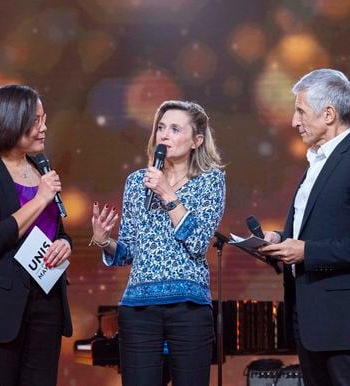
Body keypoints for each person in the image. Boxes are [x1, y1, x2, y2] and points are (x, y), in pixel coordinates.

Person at [256, 69, 350, 386]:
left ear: (329, 114)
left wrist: (307, 251)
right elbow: (309, 232)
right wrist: (279, 239)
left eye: (301, 111)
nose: (294, 121)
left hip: (344, 320)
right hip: (308, 317)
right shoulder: (314, 164)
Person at [91, 100, 226, 386]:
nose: (164, 135)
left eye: (175, 129)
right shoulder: (137, 182)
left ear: (196, 140)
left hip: (188, 307)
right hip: (139, 309)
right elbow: (128, 252)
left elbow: (199, 242)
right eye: (161, 128)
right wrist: (104, 242)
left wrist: (167, 194)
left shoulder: (210, 181)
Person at [0, 84, 72, 386]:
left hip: (45, 303)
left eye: (44, 119)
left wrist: (64, 243)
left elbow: (56, 230)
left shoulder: (40, 169)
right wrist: (39, 199)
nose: (44, 127)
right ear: (11, 120)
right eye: (36, 121)